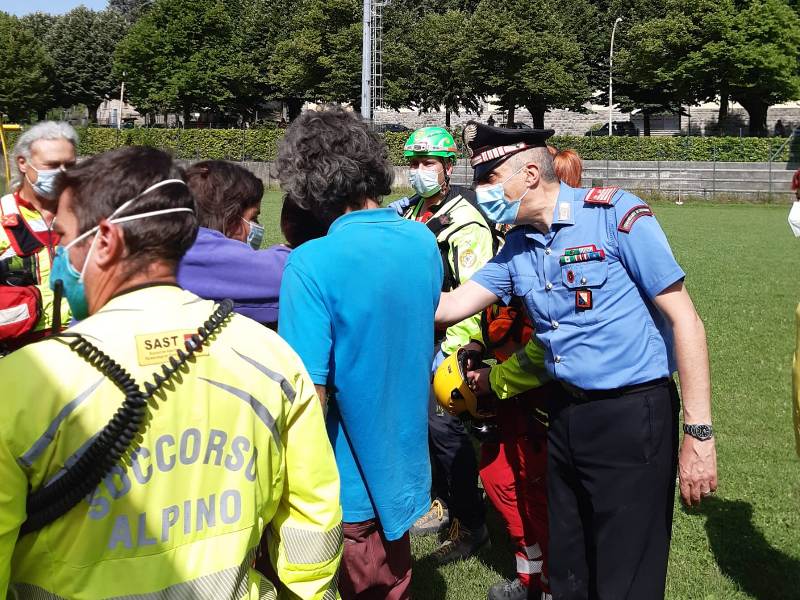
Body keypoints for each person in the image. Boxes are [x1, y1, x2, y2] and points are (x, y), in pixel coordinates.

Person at [0, 146, 342, 599]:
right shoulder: (271, 356)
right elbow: (313, 517)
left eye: (63, 237)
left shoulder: (25, 381)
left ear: (105, 240)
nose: (59, 254)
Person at [436, 121, 718, 599]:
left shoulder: (614, 216)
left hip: (632, 416)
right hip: (565, 414)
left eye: (488, 178)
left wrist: (699, 434)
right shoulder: (518, 247)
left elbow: (686, 321)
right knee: (569, 569)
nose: (481, 191)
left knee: (626, 575)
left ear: (529, 174)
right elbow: (448, 307)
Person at [277, 107, 442, 600]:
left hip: (342, 478)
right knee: (394, 580)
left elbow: (307, 396)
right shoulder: (421, 240)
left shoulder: (310, 262)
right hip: (405, 464)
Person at [475, 148, 584, 600]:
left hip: (538, 402)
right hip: (509, 397)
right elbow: (489, 312)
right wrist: (478, 344)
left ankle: (550, 582)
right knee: (499, 479)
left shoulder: (562, 252)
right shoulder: (516, 247)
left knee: (537, 491)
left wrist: (497, 380)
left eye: (493, 179)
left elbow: (548, 342)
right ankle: (530, 573)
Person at [399, 126, 494, 564]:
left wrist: (454, 353)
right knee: (421, 428)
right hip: (413, 339)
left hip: (449, 344)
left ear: (448, 168)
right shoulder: (410, 210)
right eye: (414, 163)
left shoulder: (466, 222)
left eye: (428, 163)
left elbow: (475, 292)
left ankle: (472, 524)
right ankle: (438, 500)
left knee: (446, 431)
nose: (419, 171)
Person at [177, 160, 289, 329]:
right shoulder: (203, 254)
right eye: (253, 218)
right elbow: (292, 272)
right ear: (231, 220)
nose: (258, 226)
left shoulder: (175, 242)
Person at [0, 121, 76, 352]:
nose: (62, 173)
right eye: (52, 165)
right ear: (23, 163)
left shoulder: (90, 214)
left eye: (69, 165)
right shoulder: (3, 215)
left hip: (81, 345)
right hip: (16, 350)